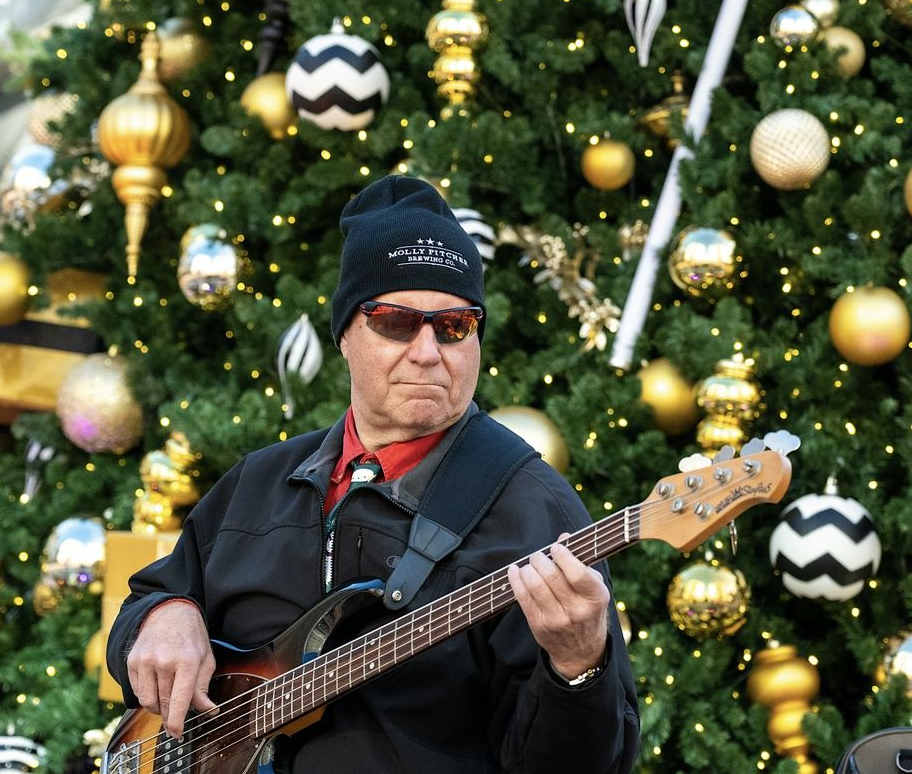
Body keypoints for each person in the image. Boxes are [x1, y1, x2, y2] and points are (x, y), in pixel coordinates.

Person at [106, 175, 640, 773]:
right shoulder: (258, 481)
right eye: (394, 321)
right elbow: (154, 590)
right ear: (344, 334)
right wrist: (162, 616)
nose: (427, 350)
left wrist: (578, 669)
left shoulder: (536, 511)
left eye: (455, 326)